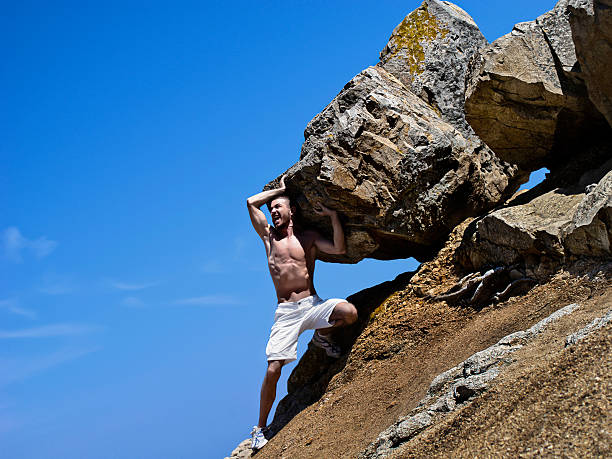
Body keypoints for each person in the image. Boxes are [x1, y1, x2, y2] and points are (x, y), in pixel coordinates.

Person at [246, 175, 358, 451]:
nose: (273, 212)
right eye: (271, 209)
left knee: (349, 312)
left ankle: (323, 336)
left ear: (291, 210)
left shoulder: (307, 238)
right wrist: (282, 190)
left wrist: (333, 217)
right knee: (273, 369)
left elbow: (339, 248)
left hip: (311, 304)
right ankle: (259, 430)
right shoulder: (268, 237)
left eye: (278, 207)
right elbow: (250, 203)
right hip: (285, 312)